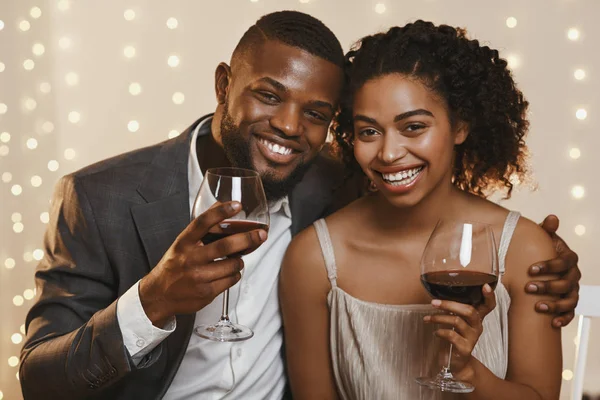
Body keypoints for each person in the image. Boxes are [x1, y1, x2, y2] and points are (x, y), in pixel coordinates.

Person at [20, 11, 578, 400]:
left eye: (315, 113)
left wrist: (548, 262)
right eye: (268, 95)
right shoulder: (100, 198)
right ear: (223, 86)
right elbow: (41, 382)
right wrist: (154, 301)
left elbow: (429, 205)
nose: (289, 127)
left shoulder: (338, 182)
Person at [280, 21, 570, 400]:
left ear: (460, 126)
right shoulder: (313, 258)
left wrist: (472, 375)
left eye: (413, 127)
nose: (388, 153)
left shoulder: (524, 249)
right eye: (369, 131)